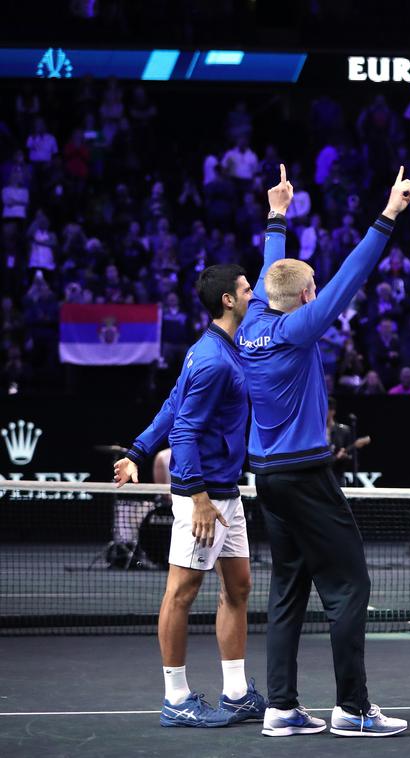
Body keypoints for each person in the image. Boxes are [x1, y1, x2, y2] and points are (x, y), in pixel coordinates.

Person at [238, 165, 410, 738]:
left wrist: (277, 216)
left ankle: (282, 707)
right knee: (349, 585)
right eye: (312, 289)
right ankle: (353, 709)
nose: (319, 292)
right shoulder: (297, 327)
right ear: (305, 298)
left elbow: (273, 272)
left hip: (267, 476)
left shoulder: (255, 322)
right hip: (306, 475)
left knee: (288, 587)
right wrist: (388, 214)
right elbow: (350, 278)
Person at [114, 261, 261, 729]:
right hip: (204, 498)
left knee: (238, 587)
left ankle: (236, 693)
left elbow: (172, 403)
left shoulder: (213, 351)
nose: (252, 292)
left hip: (226, 493)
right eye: (246, 288)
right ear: (228, 300)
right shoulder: (216, 360)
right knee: (182, 591)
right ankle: (175, 699)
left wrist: (137, 450)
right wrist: (196, 496)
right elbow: (185, 428)